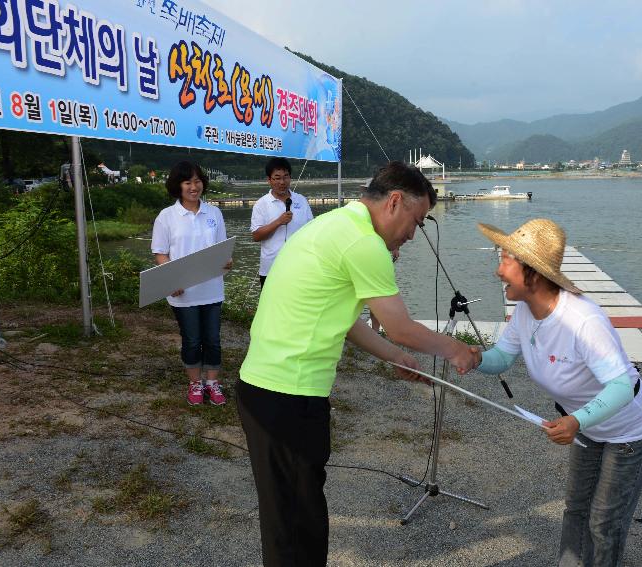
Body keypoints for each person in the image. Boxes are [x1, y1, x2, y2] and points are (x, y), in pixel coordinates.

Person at [236, 161, 480, 567]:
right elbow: (399, 326)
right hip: (289, 397)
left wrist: (396, 356)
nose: (412, 235)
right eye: (417, 222)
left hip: (265, 390)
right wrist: (453, 349)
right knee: (298, 528)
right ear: (395, 202)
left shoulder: (335, 225)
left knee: (290, 518)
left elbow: (344, 319)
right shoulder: (362, 242)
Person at [474, 218, 642, 567]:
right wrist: (472, 357)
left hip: (628, 430)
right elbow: (501, 358)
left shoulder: (583, 320)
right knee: (576, 508)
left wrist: (576, 420)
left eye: (505, 261)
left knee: (605, 522)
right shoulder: (524, 311)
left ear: (533, 272)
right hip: (587, 426)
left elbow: (623, 386)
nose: (498, 271)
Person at [151, 161, 232, 406]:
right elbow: (161, 253)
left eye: (197, 181)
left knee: (213, 339)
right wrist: (171, 279)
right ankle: (195, 383)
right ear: (178, 186)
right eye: (188, 182)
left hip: (212, 289)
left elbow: (222, 250)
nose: (193, 187)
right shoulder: (166, 216)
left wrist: (227, 261)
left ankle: (212, 383)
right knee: (192, 340)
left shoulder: (214, 213)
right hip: (182, 292)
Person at [250, 157, 314, 286]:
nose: (282, 182)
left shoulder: (301, 200)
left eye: (286, 177)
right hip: (271, 269)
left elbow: (311, 231)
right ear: (269, 180)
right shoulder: (261, 204)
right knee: (271, 306)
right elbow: (256, 236)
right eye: (277, 178)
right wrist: (278, 222)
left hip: (300, 267)